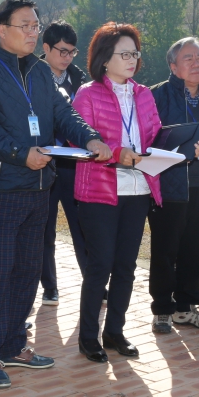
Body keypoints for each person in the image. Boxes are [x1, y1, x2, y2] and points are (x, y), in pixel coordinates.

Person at [0, 0, 111, 389]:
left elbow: (64, 114)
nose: (32, 32)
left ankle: (13, 345)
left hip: (40, 185)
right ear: (1, 30)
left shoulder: (41, 73)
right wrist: (18, 153)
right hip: (1, 186)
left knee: (28, 270)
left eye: (35, 25)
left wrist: (90, 138)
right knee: (0, 272)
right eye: (24, 25)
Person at [71, 23, 161, 362]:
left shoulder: (144, 94)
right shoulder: (88, 94)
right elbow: (77, 140)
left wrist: (180, 147)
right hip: (99, 192)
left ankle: (114, 332)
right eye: (124, 53)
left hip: (138, 190)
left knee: (126, 267)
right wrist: (115, 149)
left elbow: (153, 137)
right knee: (100, 267)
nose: (132, 60)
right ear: (105, 58)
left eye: (135, 54)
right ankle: (88, 337)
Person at [149, 37, 199, 334]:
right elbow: (149, 140)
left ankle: (185, 308)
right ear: (173, 66)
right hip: (170, 185)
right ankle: (161, 310)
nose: (196, 63)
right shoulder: (158, 96)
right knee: (165, 250)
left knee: (195, 250)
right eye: (188, 58)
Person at [39, 20, 89, 304]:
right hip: (43, 163)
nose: (67, 57)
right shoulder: (29, 77)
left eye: (72, 52)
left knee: (81, 226)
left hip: (73, 164)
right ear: (46, 48)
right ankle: (49, 286)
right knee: (44, 230)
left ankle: (92, 281)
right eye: (62, 51)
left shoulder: (80, 80)